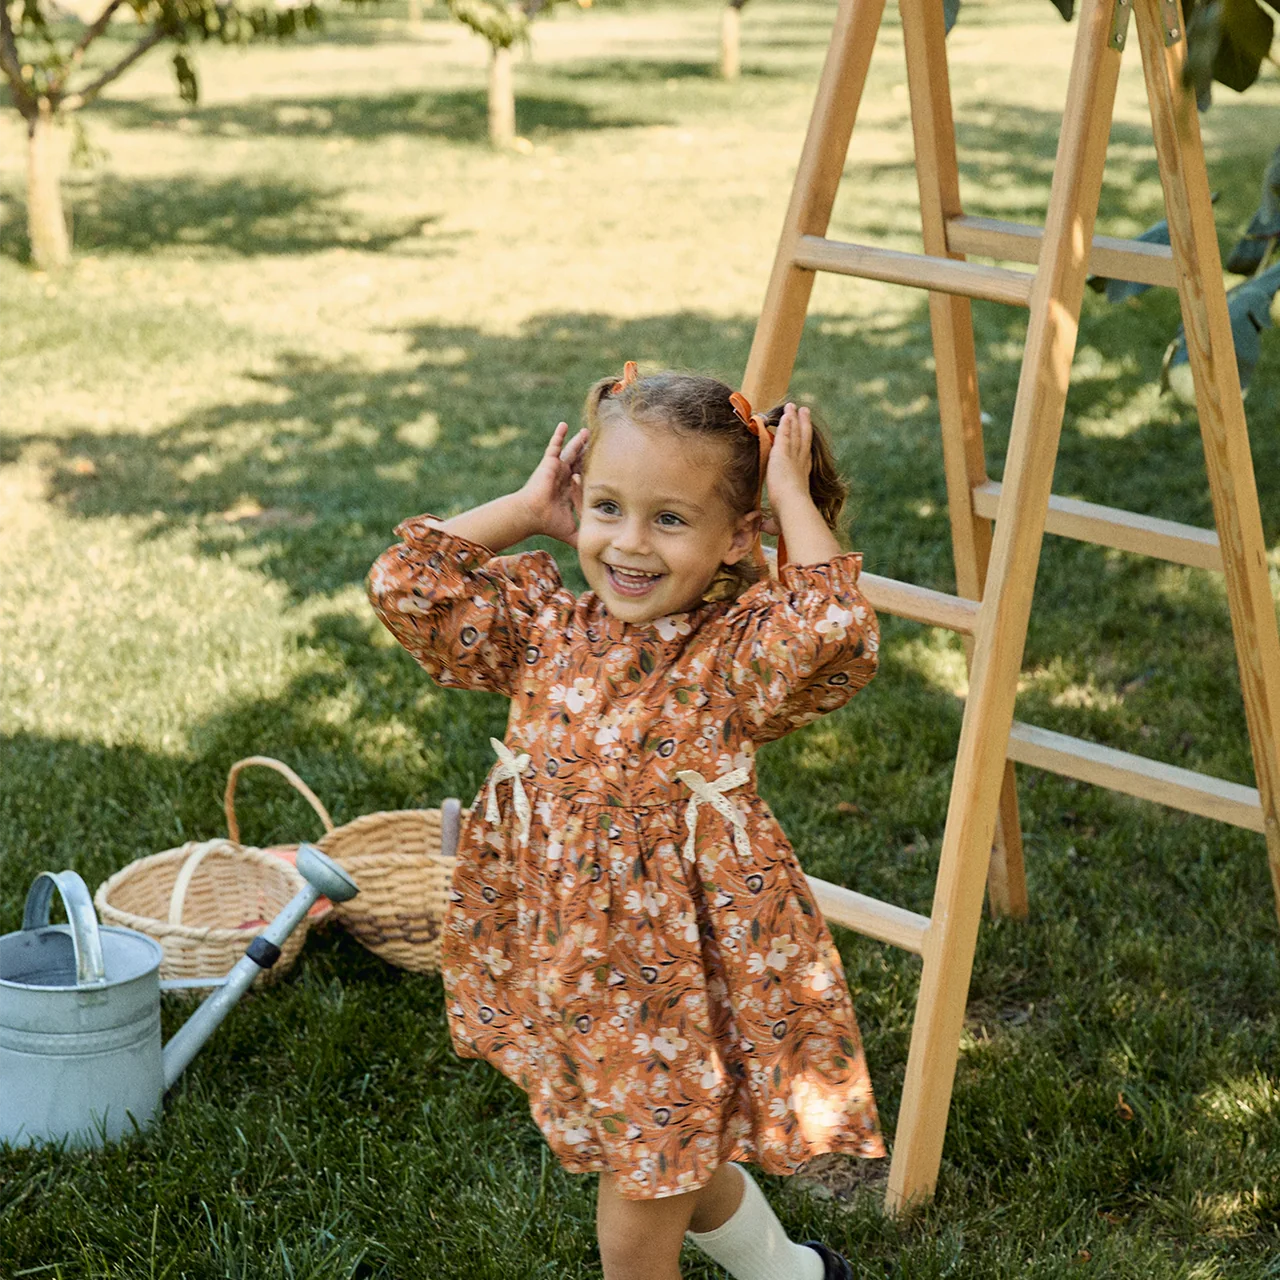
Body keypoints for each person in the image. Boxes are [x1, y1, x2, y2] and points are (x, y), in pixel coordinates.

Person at [368, 364, 885, 1280]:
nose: (630, 545)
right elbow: (409, 582)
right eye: (607, 507)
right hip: (577, 960)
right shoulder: (543, 626)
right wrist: (528, 509)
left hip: (679, 971)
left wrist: (791, 500)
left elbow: (832, 629)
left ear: (737, 540)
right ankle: (796, 1276)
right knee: (669, 1150)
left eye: (671, 519)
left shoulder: (731, 654)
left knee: (641, 1200)